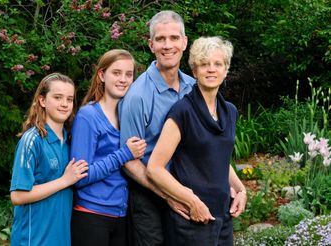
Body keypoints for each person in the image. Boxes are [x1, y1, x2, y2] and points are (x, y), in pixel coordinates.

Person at [146, 36, 247, 246]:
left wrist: (241, 189)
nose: (211, 69)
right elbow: (154, 168)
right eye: (204, 64)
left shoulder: (230, 111)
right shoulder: (182, 111)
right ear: (194, 71)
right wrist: (191, 200)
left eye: (217, 64)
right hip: (192, 218)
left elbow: (218, 158)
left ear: (226, 70)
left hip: (223, 215)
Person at [118, 10, 195, 246]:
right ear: (151, 45)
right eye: (160, 39)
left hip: (186, 187)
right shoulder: (138, 96)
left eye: (173, 38)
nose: (167, 45)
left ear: (184, 42)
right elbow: (129, 161)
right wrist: (167, 195)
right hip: (148, 195)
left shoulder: (194, 88)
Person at [70, 49, 147, 246]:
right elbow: (81, 177)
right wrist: (124, 154)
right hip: (91, 215)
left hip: (121, 215)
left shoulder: (128, 118)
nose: (123, 79)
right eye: (116, 73)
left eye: (128, 74)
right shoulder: (88, 116)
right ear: (102, 75)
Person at [10, 72, 88, 246]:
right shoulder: (32, 140)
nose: (65, 104)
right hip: (33, 240)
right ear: (42, 100)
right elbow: (17, 196)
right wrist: (65, 180)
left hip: (61, 239)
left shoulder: (71, 141)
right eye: (58, 97)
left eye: (69, 99)